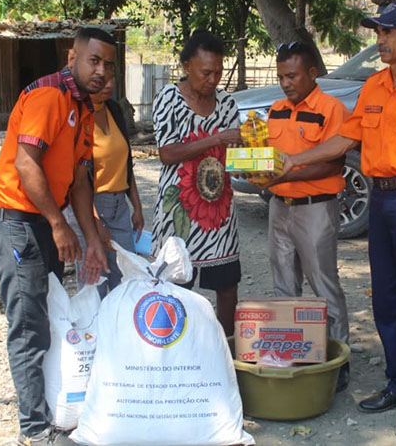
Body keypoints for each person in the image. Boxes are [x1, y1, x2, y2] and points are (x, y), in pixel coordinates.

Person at [280, 1, 396, 439]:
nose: (379, 40)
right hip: (381, 204)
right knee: (386, 299)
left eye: (386, 32)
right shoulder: (374, 87)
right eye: (377, 31)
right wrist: (292, 161)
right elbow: (344, 139)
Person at [0, 27, 115, 446]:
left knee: (51, 317)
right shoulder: (49, 96)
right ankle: (34, 430)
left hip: (42, 222)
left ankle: (55, 411)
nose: (101, 71)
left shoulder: (84, 107)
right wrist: (60, 226)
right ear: (71, 55)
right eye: (93, 61)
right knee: (29, 327)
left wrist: (92, 237)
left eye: (108, 65)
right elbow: (26, 163)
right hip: (16, 224)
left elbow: (79, 180)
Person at [255, 41, 351, 392]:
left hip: (315, 209)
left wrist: (287, 175)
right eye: (281, 76)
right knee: (283, 284)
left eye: (292, 76)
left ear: (313, 73)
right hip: (279, 208)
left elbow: (334, 162)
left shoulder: (332, 109)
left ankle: (340, 359)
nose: (285, 83)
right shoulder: (276, 109)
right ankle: (291, 352)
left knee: (323, 284)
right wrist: (256, 170)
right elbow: (267, 156)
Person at [151, 30, 242, 336]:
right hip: (179, 208)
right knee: (175, 286)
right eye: (206, 72)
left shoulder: (228, 104)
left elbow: (234, 158)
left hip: (219, 212)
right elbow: (167, 153)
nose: (213, 79)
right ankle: (176, 351)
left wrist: (249, 165)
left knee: (227, 285)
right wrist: (215, 138)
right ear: (187, 66)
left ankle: (225, 349)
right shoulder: (169, 98)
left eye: (218, 72)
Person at [63, 76, 144, 294]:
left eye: (110, 77)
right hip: (89, 206)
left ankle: (118, 326)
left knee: (126, 277)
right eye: (100, 81)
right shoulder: (77, 115)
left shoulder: (114, 110)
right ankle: (93, 327)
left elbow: (126, 164)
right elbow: (75, 181)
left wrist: (136, 206)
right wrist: (95, 224)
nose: (109, 83)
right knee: (94, 280)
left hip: (119, 205)